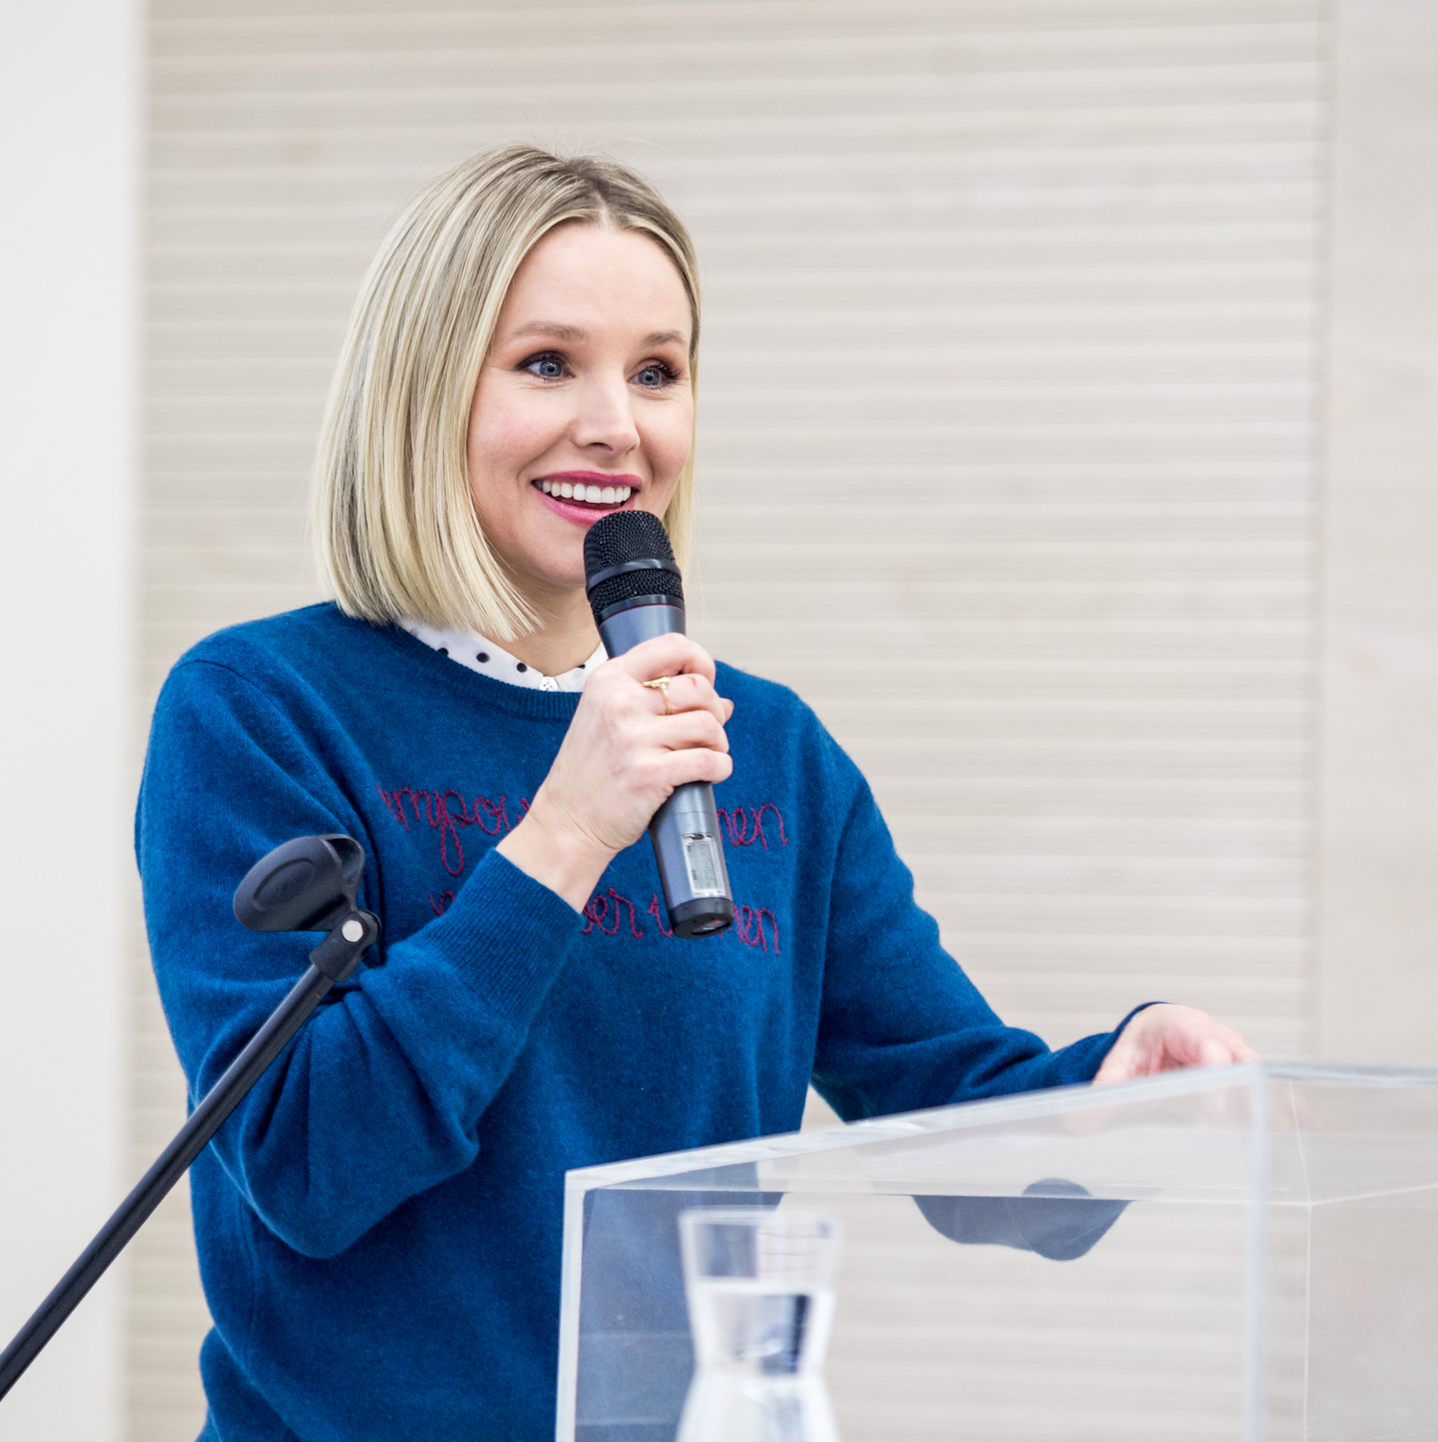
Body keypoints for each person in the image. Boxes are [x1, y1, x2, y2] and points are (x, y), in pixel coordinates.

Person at [137, 145, 1255, 1441]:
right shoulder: (261, 707)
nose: (617, 421)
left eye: (657, 371)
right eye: (547, 361)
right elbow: (307, 1162)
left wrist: (1113, 1092)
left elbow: (951, 1112)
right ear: (422, 388)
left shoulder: (766, 748)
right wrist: (563, 833)